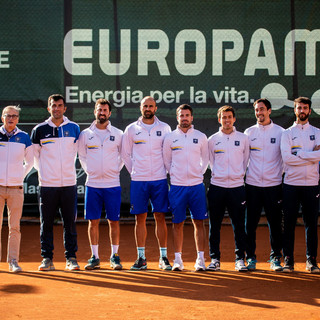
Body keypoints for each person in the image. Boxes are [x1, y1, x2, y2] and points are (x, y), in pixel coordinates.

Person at [121, 96, 172, 270]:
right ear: (140, 108)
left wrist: (164, 172)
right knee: (140, 218)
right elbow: (125, 154)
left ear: (155, 108)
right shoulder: (131, 129)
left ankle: (163, 257)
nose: (148, 108)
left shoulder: (165, 128)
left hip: (159, 179)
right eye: (145, 106)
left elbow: (167, 153)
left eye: (151, 106)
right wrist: (135, 171)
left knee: (160, 217)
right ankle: (141, 258)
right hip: (139, 181)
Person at [31, 94, 80, 271]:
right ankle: (47, 258)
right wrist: (45, 174)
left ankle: (71, 258)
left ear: (65, 108)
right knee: (47, 223)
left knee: (70, 223)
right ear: (49, 108)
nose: (57, 108)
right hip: (47, 185)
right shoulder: (39, 130)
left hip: (68, 184)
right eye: (53, 105)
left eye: (60, 105)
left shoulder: (74, 128)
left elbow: (77, 153)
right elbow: (35, 158)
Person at [78, 99, 123, 270]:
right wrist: (91, 170)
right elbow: (82, 156)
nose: (102, 113)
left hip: (112, 184)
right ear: (94, 112)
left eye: (105, 110)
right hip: (93, 184)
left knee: (114, 221)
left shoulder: (118, 134)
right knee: (93, 221)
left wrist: (114, 171)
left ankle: (115, 256)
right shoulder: (85, 134)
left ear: (109, 113)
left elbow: (123, 156)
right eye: (99, 110)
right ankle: (94, 256)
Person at [163, 104, 209, 271]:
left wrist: (198, 174)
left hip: (196, 186)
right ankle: (178, 260)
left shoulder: (201, 137)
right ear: (177, 118)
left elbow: (206, 159)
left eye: (187, 115)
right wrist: (175, 174)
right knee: (177, 223)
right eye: (181, 115)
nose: (184, 118)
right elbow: (167, 161)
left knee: (199, 222)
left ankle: (201, 259)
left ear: (192, 117)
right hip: (177, 187)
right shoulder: (170, 138)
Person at [207, 105, 249, 272]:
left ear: (234, 119)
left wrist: (237, 175)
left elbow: (245, 161)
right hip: (217, 187)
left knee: (239, 225)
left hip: (237, 188)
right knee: (214, 225)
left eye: (229, 117)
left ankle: (240, 259)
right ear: (219, 120)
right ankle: (215, 259)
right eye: (224, 117)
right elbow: (210, 162)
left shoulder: (244, 138)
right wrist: (220, 175)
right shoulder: (212, 140)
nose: (227, 120)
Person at [281, 97, 320, 273]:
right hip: (291, 184)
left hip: (312, 185)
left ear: (310, 111)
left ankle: (311, 260)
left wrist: (300, 153)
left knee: (311, 223)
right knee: (288, 223)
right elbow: (287, 159)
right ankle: (288, 260)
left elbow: (319, 157)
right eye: (299, 108)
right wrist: (310, 155)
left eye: (305, 108)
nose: (302, 110)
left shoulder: (317, 132)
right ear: (294, 110)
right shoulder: (287, 133)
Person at [244, 99, 284, 271]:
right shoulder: (249, 132)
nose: (259, 112)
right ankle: (251, 258)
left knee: (274, 223)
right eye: (256, 110)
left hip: (273, 186)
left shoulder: (281, 132)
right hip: (252, 185)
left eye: (262, 109)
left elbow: (284, 160)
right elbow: (244, 158)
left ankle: (275, 258)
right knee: (250, 224)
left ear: (269, 111)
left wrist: (275, 175)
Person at [0, 105, 33, 272]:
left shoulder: (24, 137)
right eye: (7, 115)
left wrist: (20, 175)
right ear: (2, 117)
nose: (11, 118)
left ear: (18, 119)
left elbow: (31, 161)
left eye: (14, 116)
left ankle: (13, 261)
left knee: (15, 227)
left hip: (16, 188)